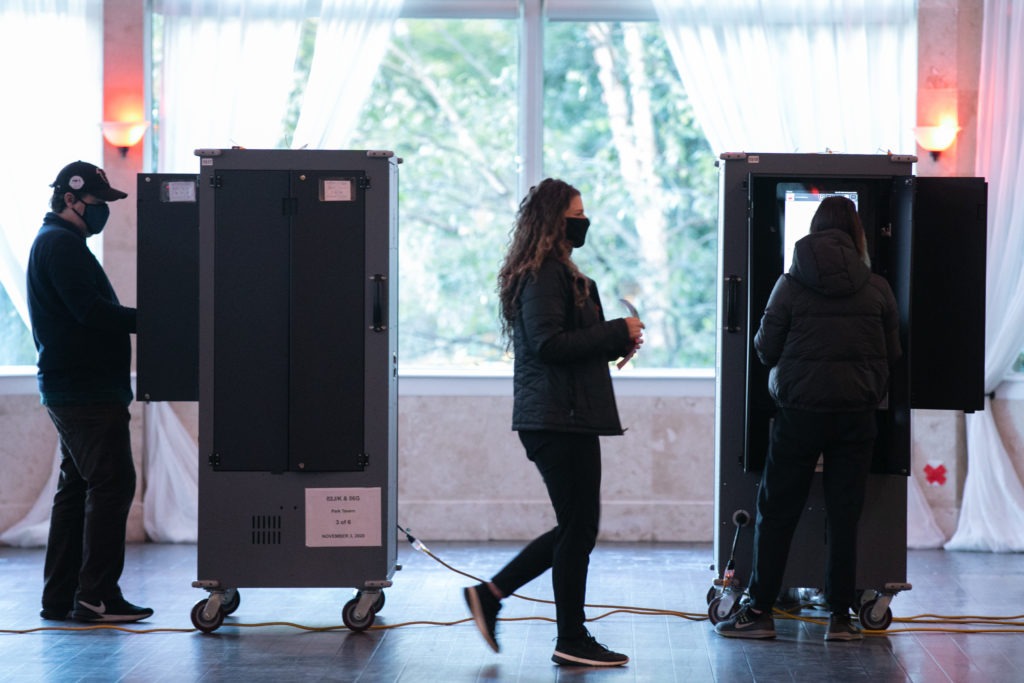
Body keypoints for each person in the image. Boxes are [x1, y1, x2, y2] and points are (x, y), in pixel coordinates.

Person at [462, 179, 644, 667]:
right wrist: (611, 331)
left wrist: (616, 342)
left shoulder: (558, 274)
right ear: (553, 220)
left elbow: (569, 343)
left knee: (577, 526)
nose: (583, 221)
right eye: (576, 213)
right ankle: (567, 636)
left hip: (566, 415)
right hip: (555, 419)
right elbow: (548, 344)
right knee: (579, 527)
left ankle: (496, 597)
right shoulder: (542, 275)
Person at [715, 195, 901, 642]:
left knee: (777, 511)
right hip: (857, 415)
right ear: (857, 233)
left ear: (814, 231)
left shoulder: (790, 284)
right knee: (843, 515)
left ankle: (759, 610)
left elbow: (764, 348)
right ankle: (840, 617)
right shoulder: (877, 287)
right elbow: (893, 353)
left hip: (799, 414)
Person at [27, 160, 153, 623]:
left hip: (74, 388)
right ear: (71, 199)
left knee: (78, 488)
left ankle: (60, 597)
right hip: (85, 391)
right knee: (113, 484)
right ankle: (97, 596)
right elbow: (90, 312)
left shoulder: (59, 243)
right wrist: (153, 318)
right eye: (98, 204)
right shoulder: (61, 246)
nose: (104, 213)